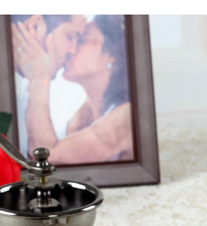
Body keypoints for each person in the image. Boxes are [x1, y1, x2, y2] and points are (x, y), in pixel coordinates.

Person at [16, 15, 133, 166]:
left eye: (81, 40)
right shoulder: (80, 118)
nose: (72, 49)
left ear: (110, 55)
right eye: (71, 37)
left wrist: (39, 78)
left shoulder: (127, 116)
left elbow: (46, 158)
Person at [11, 14, 87, 158]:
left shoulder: (22, 92)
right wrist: (40, 79)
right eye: (70, 37)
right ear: (36, 26)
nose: (73, 50)